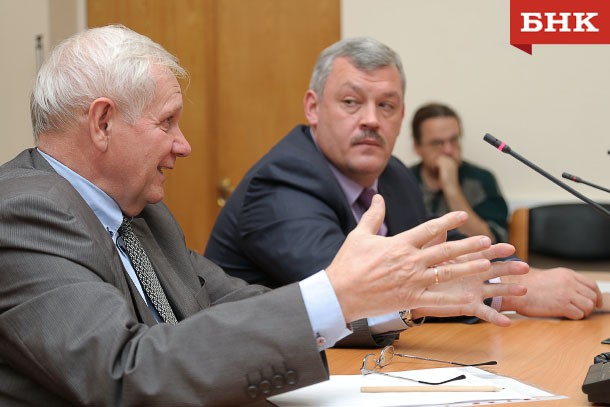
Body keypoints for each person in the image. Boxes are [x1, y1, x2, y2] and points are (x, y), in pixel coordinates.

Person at [0, 25, 529, 406]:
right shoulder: (24, 212)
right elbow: (125, 372)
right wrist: (338, 294)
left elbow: (230, 301)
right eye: (167, 123)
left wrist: (383, 301)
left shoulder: (141, 214)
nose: (183, 145)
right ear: (102, 123)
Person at [205, 36, 603, 324]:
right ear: (313, 108)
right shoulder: (281, 183)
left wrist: (526, 276)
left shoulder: (392, 174)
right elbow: (359, 292)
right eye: (351, 102)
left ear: (400, 115)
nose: (371, 120)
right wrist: (515, 293)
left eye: (386, 105)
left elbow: (442, 250)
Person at [410, 102, 508, 243]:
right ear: (417, 146)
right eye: (437, 143)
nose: (448, 150)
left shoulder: (481, 180)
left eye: (454, 140)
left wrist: (451, 188)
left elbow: (491, 241)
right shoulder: (403, 180)